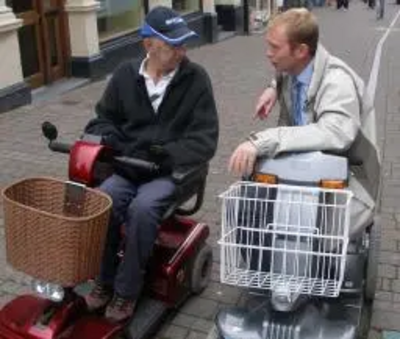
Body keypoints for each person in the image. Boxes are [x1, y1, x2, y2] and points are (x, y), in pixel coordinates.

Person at [83, 6, 219, 322]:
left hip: (170, 173)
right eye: (173, 45)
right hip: (130, 168)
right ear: (148, 45)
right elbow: (102, 121)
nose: (182, 51)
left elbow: (205, 139)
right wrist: (114, 141)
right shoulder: (124, 75)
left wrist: (168, 154)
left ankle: (126, 292)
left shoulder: (196, 79)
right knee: (102, 201)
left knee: (142, 209)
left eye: (184, 43)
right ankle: (103, 280)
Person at [229, 8, 380, 239]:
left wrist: (262, 141)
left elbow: (335, 133)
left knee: (314, 241)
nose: (268, 53)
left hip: (346, 180)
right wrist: (273, 87)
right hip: (303, 169)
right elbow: (284, 73)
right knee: (251, 217)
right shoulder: (293, 68)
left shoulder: (337, 83)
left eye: (275, 47)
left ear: (301, 50)